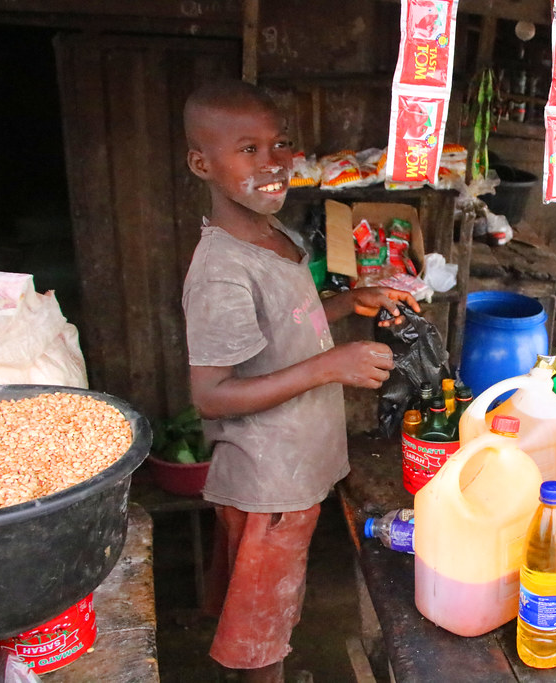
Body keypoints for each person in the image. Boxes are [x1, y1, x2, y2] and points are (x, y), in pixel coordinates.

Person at [181, 79, 420, 683]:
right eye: (249, 150)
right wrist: (329, 366)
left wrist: (350, 302)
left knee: (269, 611)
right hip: (269, 484)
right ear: (201, 163)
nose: (273, 163)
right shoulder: (222, 270)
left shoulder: (275, 236)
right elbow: (211, 394)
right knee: (262, 634)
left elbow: (294, 314)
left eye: (280, 144)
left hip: (295, 468)